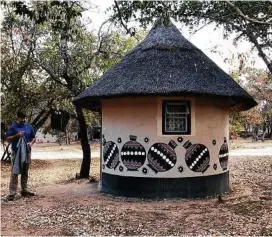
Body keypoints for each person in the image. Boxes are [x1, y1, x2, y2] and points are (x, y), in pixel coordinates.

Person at [6, 111, 36, 201]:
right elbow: (8, 139)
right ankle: (12, 193)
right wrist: (17, 135)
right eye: (20, 117)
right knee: (14, 172)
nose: (22, 119)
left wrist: (31, 143)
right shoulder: (13, 127)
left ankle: (24, 190)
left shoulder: (29, 127)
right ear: (17, 117)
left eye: (23, 117)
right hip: (16, 152)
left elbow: (33, 137)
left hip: (27, 152)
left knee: (25, 171)